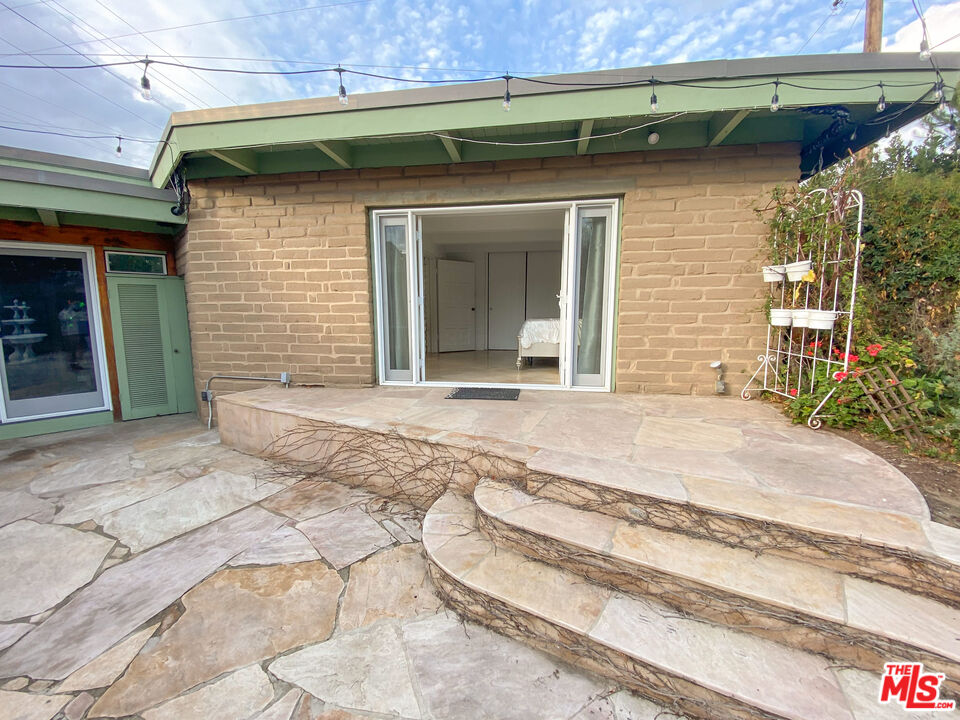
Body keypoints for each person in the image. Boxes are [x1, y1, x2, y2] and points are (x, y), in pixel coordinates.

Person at [59, 299, 87, 369]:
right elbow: (68, 318)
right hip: (68, 334)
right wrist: (72, 314)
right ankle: (73, 364)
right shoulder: (62, 313)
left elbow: (82, 306)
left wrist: (78, 304)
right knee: (71, 350)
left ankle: (76, 364)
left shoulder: (74, 312)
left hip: (75, 332)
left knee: (77, 349)